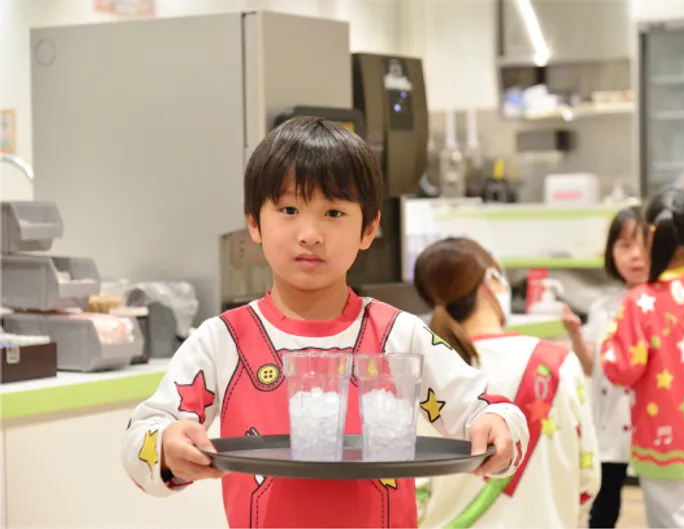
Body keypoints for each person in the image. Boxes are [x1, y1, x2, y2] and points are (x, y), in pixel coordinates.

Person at [121, 116, 529, 529]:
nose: (310, 233)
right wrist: (167, 447)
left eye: (333, 212)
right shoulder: (223, 340)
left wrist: (496, 426)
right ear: (254, 223)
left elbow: (496, 412)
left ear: (368, 229)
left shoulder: (399, 335)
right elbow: (141, 441)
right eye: (289, 210)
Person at [412, 237, 600, 528]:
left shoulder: (421, 373)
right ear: (492, 279)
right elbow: (587, 476)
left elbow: (413, 491)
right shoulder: (559, 362)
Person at [599, 188, 684, 529]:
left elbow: (620, 369)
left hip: (661, 439)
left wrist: (608, 340)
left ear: (651, 234)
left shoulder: (641, 301)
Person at [562, 206, 649, 529]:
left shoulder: (663, 302)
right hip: (611, 418)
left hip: (652, 421)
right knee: (605, 498)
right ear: (611, 252)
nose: (635, 255)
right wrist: (575, 334)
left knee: (662, 499)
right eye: (624, 245)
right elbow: (590, 367)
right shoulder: (603, 306)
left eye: (644, 245)